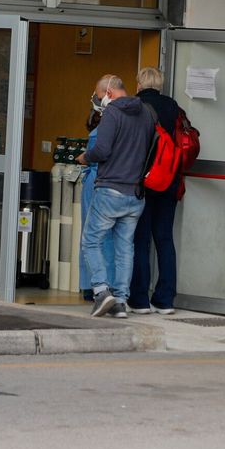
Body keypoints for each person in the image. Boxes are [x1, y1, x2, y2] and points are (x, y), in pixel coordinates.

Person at [77, 74, 150, 318]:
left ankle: (101, 292)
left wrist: (85, 157)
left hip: (111, 189)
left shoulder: (112, 114)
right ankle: (120, 301)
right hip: (136, 193)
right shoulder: (147, 113)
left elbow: (102, 149)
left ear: (108, 92)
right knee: (124, 247)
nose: (98, 102)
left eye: (99, 97)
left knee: (91, 241)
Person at [131, 66, 181, 316]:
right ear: (160, 84)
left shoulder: (135, 105)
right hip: (168, 181)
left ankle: (140, 299)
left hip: (143, 182)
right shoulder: (172, 106)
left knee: (140, 240)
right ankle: (165, 299)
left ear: (139, 83)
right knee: (164, 239)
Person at [78, 77, 114, 302]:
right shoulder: (122, 123)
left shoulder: (99, 132)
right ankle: (111, 287)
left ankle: (95, 285)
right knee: (112, 238)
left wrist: (83, 158)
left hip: (97, 183)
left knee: (93, 236)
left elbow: (94, 157)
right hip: (114, 184)